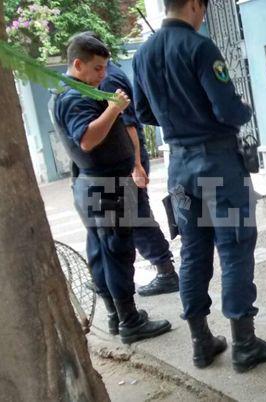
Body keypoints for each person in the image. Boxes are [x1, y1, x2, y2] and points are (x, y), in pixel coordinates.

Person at [132, 0, 266, 372]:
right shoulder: (200, 46)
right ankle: (244, 344)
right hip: (217, 166)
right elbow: (227, 111)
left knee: (194, 251)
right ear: (196, 5)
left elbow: (142, 111)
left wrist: (179, 117)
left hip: (180, 169)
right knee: (233, 245)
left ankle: (202, 343)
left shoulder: (142, 54)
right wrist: (243, 108)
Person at [50, 34, 171, 343]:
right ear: (77, 64)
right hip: (107, 185)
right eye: (97, 68)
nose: (103, 75)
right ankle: (130, 320)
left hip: (99, 185)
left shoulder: (73, 90)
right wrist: (114, 108)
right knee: (117, 253)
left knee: (103, 252)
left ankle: (117, 316)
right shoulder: (73, 97)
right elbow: (87, 139)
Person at [72, 32, 180, 297]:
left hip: (126, 162)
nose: (100, 72)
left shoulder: (107, 79)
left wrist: (136, 165)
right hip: (119, 165)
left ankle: (165, 271)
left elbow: (128, 123)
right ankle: (127, 280)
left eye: (100, 66)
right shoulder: (103, 77)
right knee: (133, 218)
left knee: (137, 217)